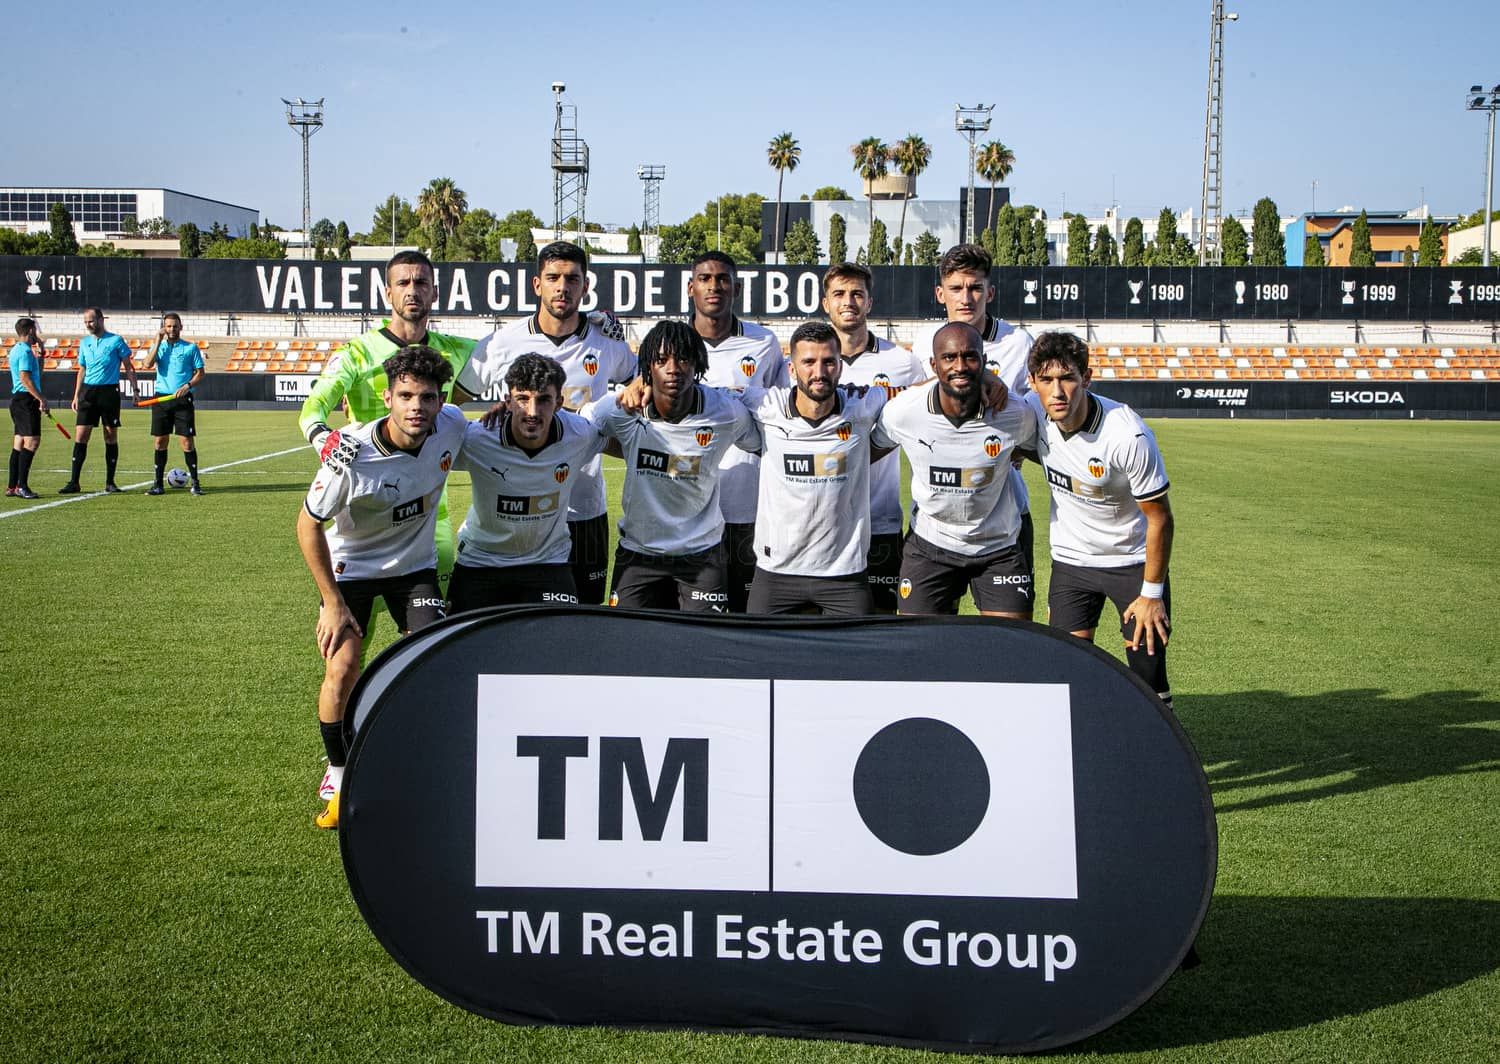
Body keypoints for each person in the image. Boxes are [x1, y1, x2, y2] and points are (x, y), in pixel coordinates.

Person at [295, 345, 467, 829]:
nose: (417, 407)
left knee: (429, 660)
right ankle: (339, 768)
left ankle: (421, 761)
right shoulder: (349, 455)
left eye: (428, 397)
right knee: (344, 666)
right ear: (387, 397)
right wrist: (331, 602)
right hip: (352, 571)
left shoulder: (452, 426)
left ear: (440, 401)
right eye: (406, 395)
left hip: (414, 570)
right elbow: (307, 527)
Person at [452, 242, 634, 605]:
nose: (562, 287)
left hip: (584, 507)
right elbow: (453, 404)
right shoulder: (502, 343)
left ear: (585, 287)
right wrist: (495, 422)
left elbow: (642, 387)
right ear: (537, 285)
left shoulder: (606, 340)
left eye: (572, 279)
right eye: (553, 277)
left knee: (582, 625)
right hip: (520, 509)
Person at [298, 250, 475, 594]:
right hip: (363, 514)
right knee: (352, 639)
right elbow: (313, 409)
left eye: (421, 282)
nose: (413, 290)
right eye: (403, 283)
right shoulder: (356, 354)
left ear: (435, 292)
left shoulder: (459, 350)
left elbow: (524, 350)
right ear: (387, 293)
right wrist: (324, 439)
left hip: (426, 517)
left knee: (431, 636)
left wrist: (595, 328)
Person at [1023, 330, 1176, 710]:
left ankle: (1160, 763)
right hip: (1072, 565)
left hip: (1131, 565)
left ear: (1086, 378)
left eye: (1068, 378)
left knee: (1147, 676)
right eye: (1046, 380)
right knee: (1067, 672)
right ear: (1033, 383)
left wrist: (1151, 595)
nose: (1057, 392)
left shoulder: (1127, 434)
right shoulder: (1031, 414)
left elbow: (1160, 518)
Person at [589, 320, 760, 612]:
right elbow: (577, 431)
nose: (673, 368)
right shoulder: (619, 410)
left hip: (702, 555)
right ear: (647, 368)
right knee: (626, 642)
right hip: (639, 553)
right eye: (661, 360)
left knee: (705, 647)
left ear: (697, 364)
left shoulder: (726, 412)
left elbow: (761, 444)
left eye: (683, 358)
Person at [872, 321, 1038, 618]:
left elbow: (1051, 451)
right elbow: (866, 452)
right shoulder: (903, 412)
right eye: (949, 358)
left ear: (984, 362)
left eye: (970, 356)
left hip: (998, 546)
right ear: (934, 365)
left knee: (1013, 650)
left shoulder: (1014, 414)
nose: (960, 366)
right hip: (930, 545)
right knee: (919, 651)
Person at [741, 321, 890, 615]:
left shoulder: (863, 403)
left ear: (840, 366)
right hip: (776, 574)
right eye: (808, 362)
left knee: (856, 661)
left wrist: (984, 380)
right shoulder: (764, 405)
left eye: (828, 362)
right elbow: (704, 396)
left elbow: (920, 395)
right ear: (791, 368)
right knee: (759, 659)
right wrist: (642, 384)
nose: (819, 372)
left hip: (844, 575)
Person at [447, 353, 611, 612]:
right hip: (482, 561)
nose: (532, 412)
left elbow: (632, 441)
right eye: (522, 399)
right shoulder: (476, 439)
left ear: (559, 402)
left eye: (543, 400)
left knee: (558, 643)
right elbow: (423, 443)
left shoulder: (580, 434)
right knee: (465, 646)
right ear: (507, 402)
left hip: (548, 563)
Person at [909, 244, 1036, 569]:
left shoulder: (1017, 343)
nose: (966, 298)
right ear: (940, 294)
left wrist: (1012, 446)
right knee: (930, 621)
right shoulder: (925, 341)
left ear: (989, 292)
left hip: (1003, 508)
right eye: (956, 288)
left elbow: (1035, 420)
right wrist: (982, 380)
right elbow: (912, 408)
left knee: (1006, 621)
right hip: (936, 509)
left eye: (975, 288)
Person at [820, 263, 929, 611]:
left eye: (856, 294)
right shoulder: (810, 361)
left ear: (869, 302)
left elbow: (933, 399)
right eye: (839, 294)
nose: (848, 301)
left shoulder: (903, 362)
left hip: (880, 519)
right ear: (826, 303)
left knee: (878, 622)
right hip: (821, 517)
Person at [686, 251, 787, 611]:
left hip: (749, 505)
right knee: (696, 618)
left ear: (737, 288)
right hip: (689, 507)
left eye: (723, 279)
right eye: (705, 278)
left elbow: (785, 410)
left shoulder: (764, 342)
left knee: (749, 612)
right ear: (690, 288)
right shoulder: (674, 345)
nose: (714, 286)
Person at [60, 307, 138, 494]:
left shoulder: (116, 340)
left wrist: (135, 390)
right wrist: (76, 395)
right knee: (81, 436)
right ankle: (74, 482)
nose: (88, 324)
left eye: (91, 321)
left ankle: (110, 482)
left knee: (110, 435)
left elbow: (128, 366)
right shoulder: (85, 342)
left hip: (109, 392)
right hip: (88, 393)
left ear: (101, 320)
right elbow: (82, 369)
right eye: (86, 321)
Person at [141, 313, 206, 496]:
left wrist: (188, 386)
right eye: (168, 326)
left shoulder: (190, 348)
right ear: (164, 328)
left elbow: (200, 373)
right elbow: (147, 364)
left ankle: (195, 483)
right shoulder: (159, 347)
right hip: (162, 399)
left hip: (182, 400)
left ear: (181, 327)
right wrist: (157, 340)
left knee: (186, 441)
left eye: (175, 326)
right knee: (160, 441)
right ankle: (157, 484)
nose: (171, 329)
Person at [7, 317, 47, 499]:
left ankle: (12, 486)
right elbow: (25, 378)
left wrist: (42, 351)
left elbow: (36, 373)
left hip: (19, 400)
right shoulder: (24, 352)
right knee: (32, 442)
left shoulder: (18, 349)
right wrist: (41, 399)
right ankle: (21, 485)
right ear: (31, 331)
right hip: (26, 400)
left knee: (19, 443)